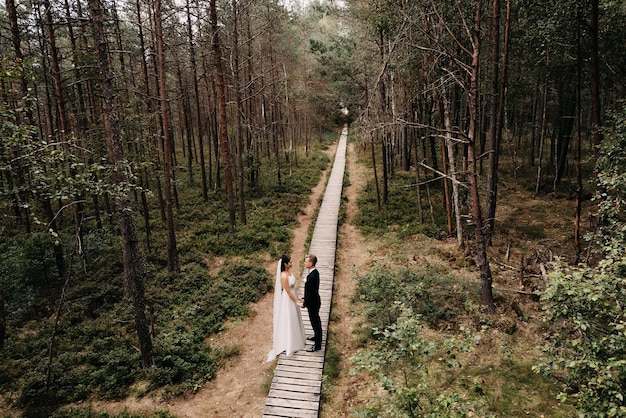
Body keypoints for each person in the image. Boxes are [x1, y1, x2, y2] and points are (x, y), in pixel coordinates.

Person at [267, 255, 306, 361]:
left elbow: (293, 288)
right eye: (290, 262)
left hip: (293, 294)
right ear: (285, 264)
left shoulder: (290, 273)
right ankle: (289, 343)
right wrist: (296, 302)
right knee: (290, 318)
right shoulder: (283, 276)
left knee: (295, 318)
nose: (292, 264)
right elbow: (288, 291)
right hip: (288, 299)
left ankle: (297, 339)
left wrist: (298, 296)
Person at [302, 254, 322, 352]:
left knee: (315, 323)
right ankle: (316, 336)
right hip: (314, 301)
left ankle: (317, 345)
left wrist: (304, 303)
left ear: (310, 263)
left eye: (306, 261)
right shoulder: (314, 273)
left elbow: (311, 293)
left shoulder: (312, 276)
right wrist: (304, 297)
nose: (305, 263)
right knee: (314, 322)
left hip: (313, 303)